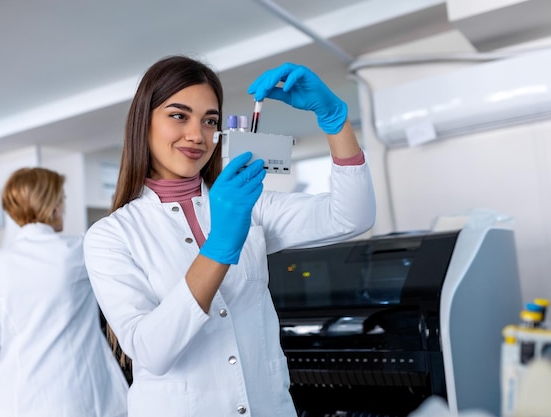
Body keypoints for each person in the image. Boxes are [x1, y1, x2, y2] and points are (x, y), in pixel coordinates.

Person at [83, 55, 376, 417]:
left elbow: (351, 215)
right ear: (144, 122)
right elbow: (152, 352)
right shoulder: (111, 236)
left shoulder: (249, 206)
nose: (196, 135)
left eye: (210, 121)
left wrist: (335, 121)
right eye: (179, 115)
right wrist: (220, 246)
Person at [0, 167, 128, 417]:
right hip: (83, 399)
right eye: (62, 198)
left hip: (18, 404)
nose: (63, 205)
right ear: (52, 205)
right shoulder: (79, 250)